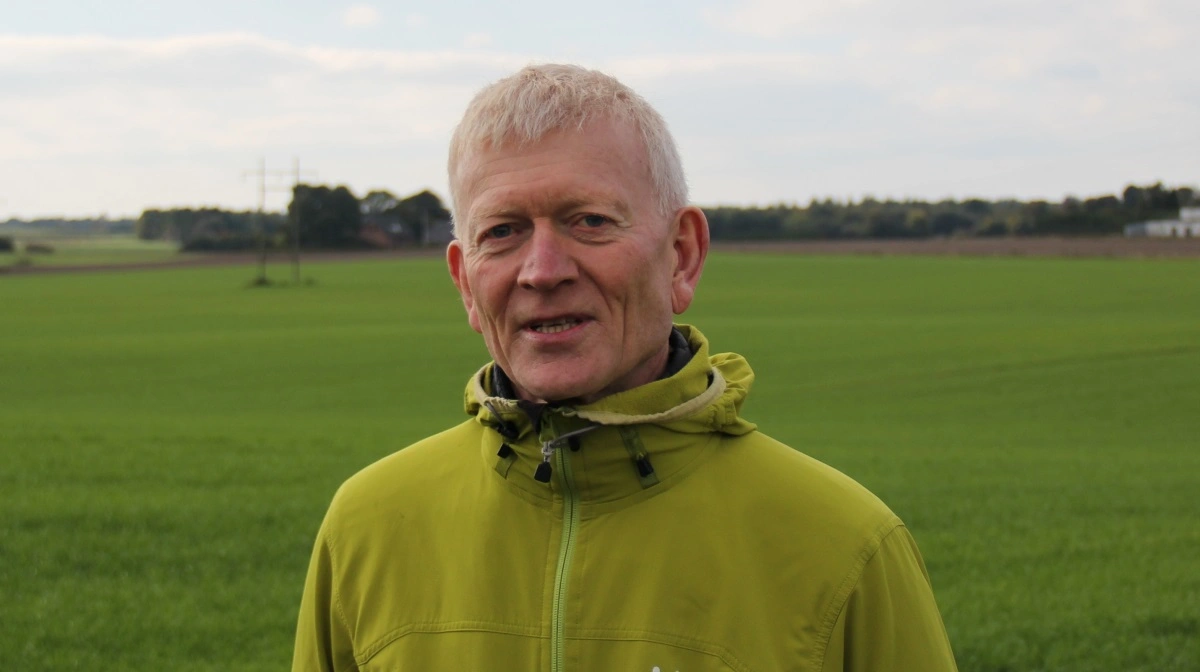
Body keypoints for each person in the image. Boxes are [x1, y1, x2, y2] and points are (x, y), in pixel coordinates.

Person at [293, 63, 958, 671]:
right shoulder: (366, 528)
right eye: (502, 231)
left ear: (681, 255)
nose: (543, 270)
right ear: (466, 282)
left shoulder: (845, 547)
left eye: (588, 221)